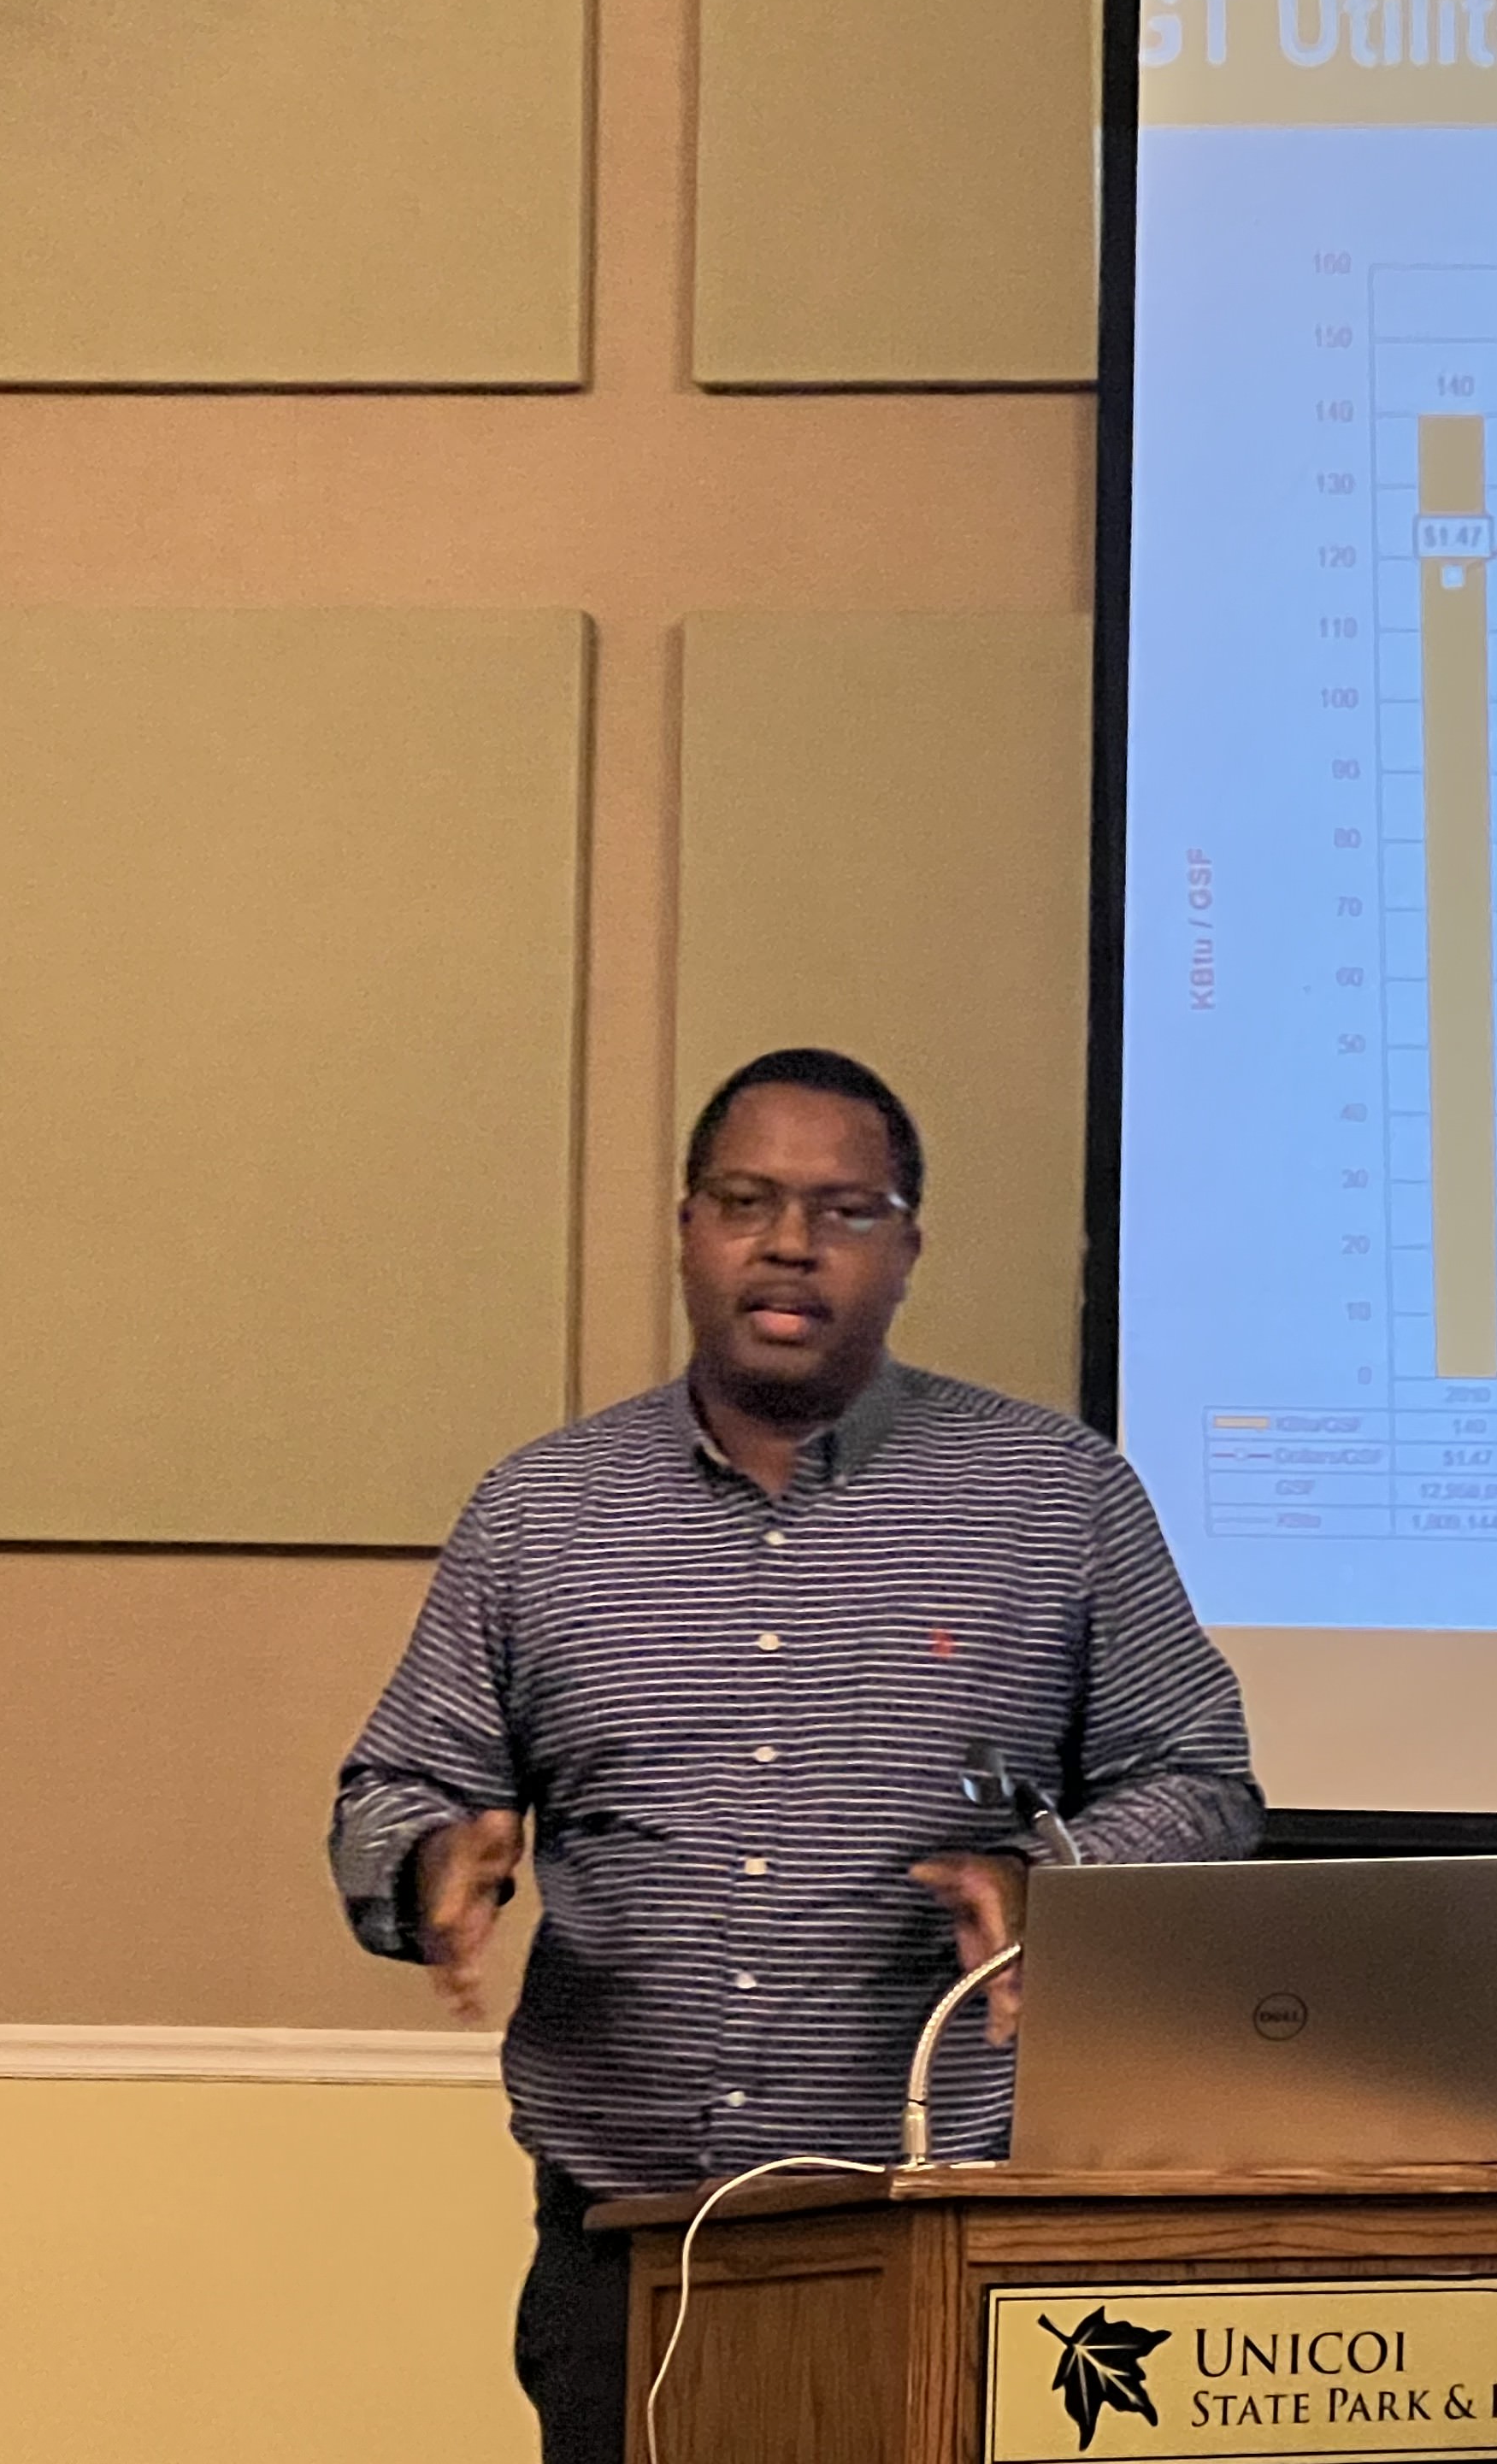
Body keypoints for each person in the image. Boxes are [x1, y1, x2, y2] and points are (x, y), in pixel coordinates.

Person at [329, 1046, 1260, 2464]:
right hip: (627, 2237)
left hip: (953, 2221)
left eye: (845, 1210)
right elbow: (395, 1783)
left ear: (909, 1249)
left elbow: (1198, 1779)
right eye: (747, 1200)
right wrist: (434, 1859)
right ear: (689, 1229)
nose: (790, 1244)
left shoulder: (1053, 1496)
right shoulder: (544, 1511)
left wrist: (1057, 1876)